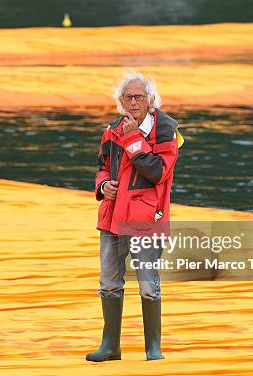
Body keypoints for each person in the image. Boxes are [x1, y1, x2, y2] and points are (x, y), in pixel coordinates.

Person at [86, 72, 182, 362]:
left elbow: (157, 172)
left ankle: (153, 348)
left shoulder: (166, 131)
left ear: (151, 99)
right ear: (120, 101)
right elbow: (102, 165)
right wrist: (104, 186)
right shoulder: (111, 130)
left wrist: (131, 138)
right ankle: (110, 346)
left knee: (148, 284)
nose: (133, 102)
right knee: (108, 282)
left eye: (139, 96)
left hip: (146, 219)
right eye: (127, 97)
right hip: (112, 217)